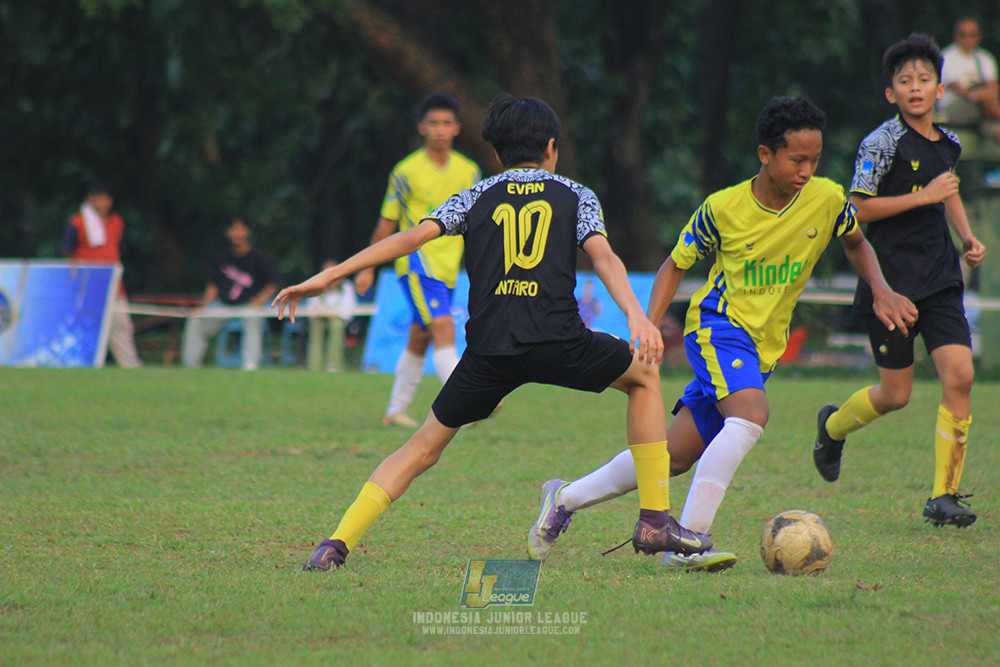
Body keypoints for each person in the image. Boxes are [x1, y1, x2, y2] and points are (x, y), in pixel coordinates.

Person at [274, 95, 713, 572]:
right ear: (551, 146)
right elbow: (603, 256)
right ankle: (654, 519)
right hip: (559, 342)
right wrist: (635, 314)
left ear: (498, 151)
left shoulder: (476, 195)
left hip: (489, 354)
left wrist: (331, 274)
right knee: (644, 376)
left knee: (420, 448)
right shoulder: (577, 194)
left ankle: (335, 544)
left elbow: (411, 237)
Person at [526, 97, 918, 572]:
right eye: (797, 160)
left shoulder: (828, 199)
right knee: (751, 415)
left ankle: (564, 498)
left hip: (762, 346)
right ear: (765, 154)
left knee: (671, 456)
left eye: (815, 160)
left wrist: (880, 290)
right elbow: (675, 264)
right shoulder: (723, 208)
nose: (806, 171)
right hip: (717, 326)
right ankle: (686, 544)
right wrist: (648, 325)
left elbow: (856, 242)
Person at [813, 34, 986, 528]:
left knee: (960, 375)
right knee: (895, 395)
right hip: (890, 284)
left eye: (924, 79)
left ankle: (943, 496)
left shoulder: (948, 144)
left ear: (938, 89)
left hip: (940, 278)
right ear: (891, 93)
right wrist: (921, 196)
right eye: (905, 81)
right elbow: (857, 209)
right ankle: (832, 426)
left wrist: (968, 238)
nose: (915, 88)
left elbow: (947, 192)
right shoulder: (880, 142)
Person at [353, 92, 481, 427]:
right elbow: (388, 220)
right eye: (433, 123)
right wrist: (367, 265)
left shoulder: (469, 172)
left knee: (420, 336)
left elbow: (478, 221)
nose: (440, 129)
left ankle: (395, 411)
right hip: (415, 263)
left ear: (457, 128)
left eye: (446, 123)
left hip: (448, 268)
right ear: (422, 128)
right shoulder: (405, 171)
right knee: (442, 326)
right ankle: (471, 399)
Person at [181, 215, 281, 371]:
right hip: (223, 306)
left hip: (248, 306)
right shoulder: (221, 257)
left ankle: (250, 365)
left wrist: (260, 300)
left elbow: (275, 281)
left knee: (253, 318)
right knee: (196, 321)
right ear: (227, 232)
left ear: (247, 232)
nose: (237, 233)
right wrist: (203, 306)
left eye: (240, 229)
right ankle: (190, 365)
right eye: (233, 229)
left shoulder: (259, 257)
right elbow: (213, 285)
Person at [60, 183, 142, 368]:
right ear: (90, 200)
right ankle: (76, 362)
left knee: (121, 325)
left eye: (106, 198)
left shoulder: (117, 222)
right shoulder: (77, 222)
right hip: (86, 283)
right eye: (99, 198)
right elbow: (67, 251)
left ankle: (130, 366)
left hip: (113, 283)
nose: (103, 203)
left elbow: (119, 250)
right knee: (83, 324)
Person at [939, 17, 1000, 145]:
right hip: (956, 106)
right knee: (987, 110)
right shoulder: (947, 57)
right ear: (956, 36)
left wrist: (987, 98)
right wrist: (983, 98)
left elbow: (993, 86)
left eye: (972, 35)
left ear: (978, 37)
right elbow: (959, 89)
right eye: (963, 34)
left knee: (992, 126)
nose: (967, 39)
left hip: (984, 109)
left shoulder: (985, 58)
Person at [305, 260, 357, 372]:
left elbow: (347, 311)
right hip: (320, 319)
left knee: (336, 326)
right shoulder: (316, 286)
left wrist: (332, 315)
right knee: (316, 326)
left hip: (338, 320)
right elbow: (311, 310)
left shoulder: (346, 287)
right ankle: (314, 365)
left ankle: (333, 365)